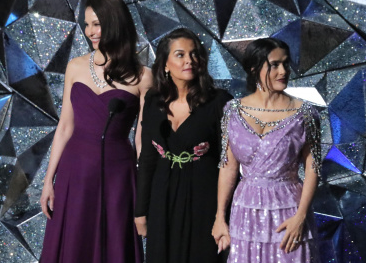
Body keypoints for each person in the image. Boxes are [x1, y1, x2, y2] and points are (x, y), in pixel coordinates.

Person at [39, 0, 152, 262]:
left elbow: (141, 139)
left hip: (118, 175)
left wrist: (144, 190)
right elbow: (65, 126)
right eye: (87, 25)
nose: (91, 31)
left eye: (97, 24)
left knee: (114, 245)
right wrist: (48, 180)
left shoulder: (144, 76)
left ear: (115, 23)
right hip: (74, 170)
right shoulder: (75, 66)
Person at [211, 38, 321, 262]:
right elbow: (228, 167)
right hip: (246, 211)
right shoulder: (232, 111)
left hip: (289, 210)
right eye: (274, 65)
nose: (283, 71)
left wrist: (300, 217)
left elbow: (313, 167)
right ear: (254, 69)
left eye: (286, 64)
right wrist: (220, 217)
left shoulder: (306, 113)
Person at [134, 28, 233, 263]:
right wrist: (140, 211)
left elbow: (228, 164)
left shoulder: (220, 102)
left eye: (195, 54)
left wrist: (223, 215)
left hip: (204, 198)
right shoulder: (153, 100)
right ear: (165, 64)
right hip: (162, 196)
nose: (189, 60)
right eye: (180, 55)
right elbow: (147, 159)